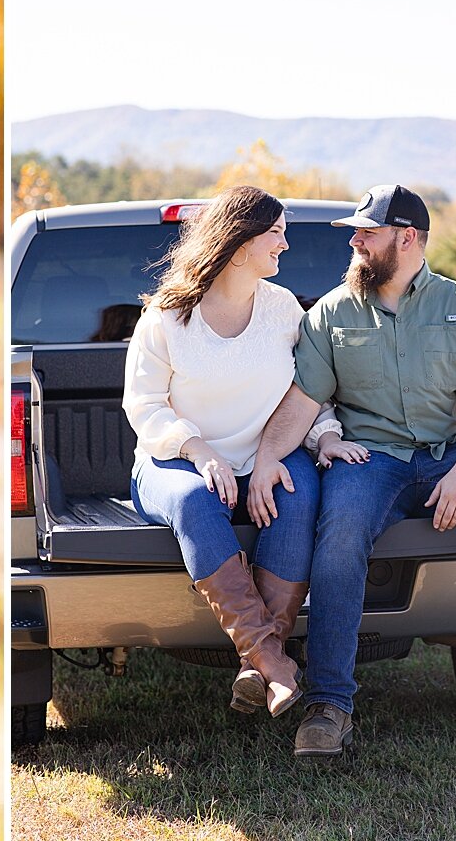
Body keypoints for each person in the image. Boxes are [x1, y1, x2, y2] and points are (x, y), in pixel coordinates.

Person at [254, 184, 456, 757]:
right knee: (341, 535)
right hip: (368, 460)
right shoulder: (330, 313)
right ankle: (330, 704)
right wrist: (265, 461)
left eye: (366, 232)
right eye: (355, 233)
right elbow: (302, 404)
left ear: (407, 238)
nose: (354, 241)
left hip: (451, 453)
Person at [122, 185, 339, 718]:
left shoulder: (282, 308)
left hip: (263, 457)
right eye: (277, 232)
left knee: (298, 487)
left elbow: (304, 390)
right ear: (240, 243)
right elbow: (143, 406)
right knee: (196, 502)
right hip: (173, 460)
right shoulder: (166, 318)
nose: (285, 245)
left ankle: (257, 663)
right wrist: (198, 451)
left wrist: (324, 435)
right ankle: (276, 663)